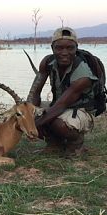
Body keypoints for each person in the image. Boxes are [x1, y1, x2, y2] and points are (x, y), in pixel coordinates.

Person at [27, 27, 97, 157]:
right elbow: (35, 93)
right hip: (59, 105)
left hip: (79, 110)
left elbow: (61, 105)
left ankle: (76, 143)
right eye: (59, 48)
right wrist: (29, 115)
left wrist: (34, 125)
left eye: (70, 48)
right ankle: (54, 144)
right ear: (52, 48)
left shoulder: (83, 74)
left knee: (57, 124)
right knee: (28, 114)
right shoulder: (47, 62)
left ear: (76, 48)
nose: (64, 52)